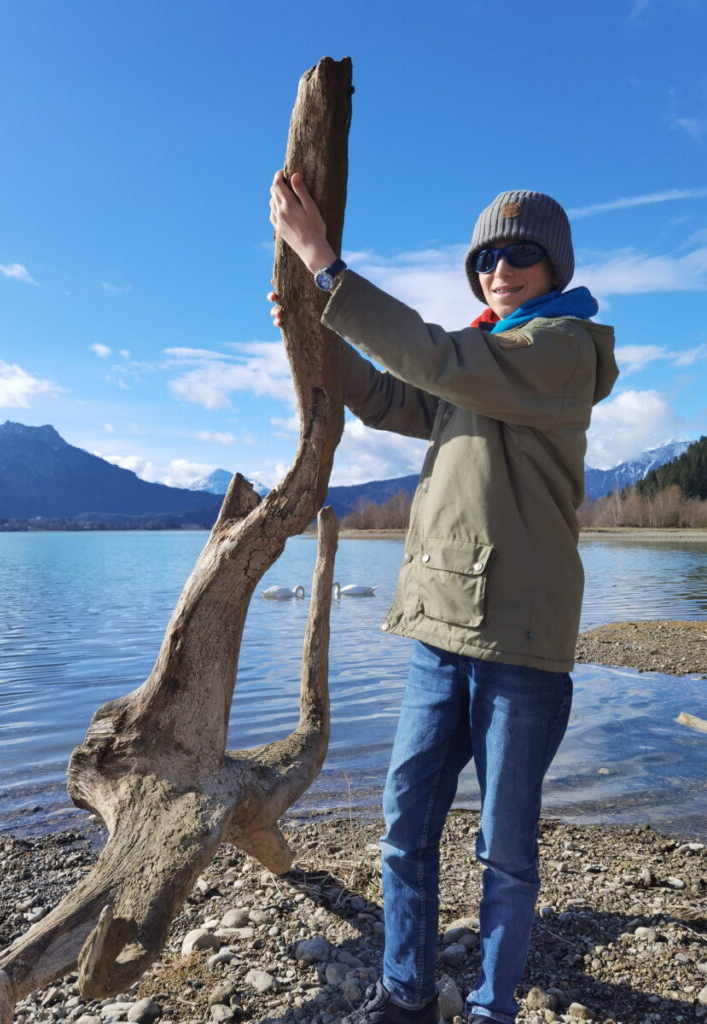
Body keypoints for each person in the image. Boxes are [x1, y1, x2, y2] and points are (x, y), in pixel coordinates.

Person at [269, 172, 618, 1024]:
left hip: (522, 645)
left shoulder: (559, 351)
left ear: (556, 267)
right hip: (440, 629)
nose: (501, 267)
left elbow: (432, 359)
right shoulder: (484, 360)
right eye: (487, 256)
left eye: (522, 254)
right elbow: (395, 392)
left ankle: (495, 1011)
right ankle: (406, 994)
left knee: (503, 854)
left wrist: (325, 266)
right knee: (403, 827)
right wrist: (316, 338)